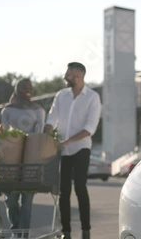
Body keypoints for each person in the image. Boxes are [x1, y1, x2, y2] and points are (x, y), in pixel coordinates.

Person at [44, 62, 101, 239]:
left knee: (80, 188)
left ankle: (85, 230)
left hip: (81, 148)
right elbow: (51, 119)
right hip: (64, 150)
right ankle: (66, 232)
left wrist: (67, 141)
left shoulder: (92, 97)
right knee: (64, 191)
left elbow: (89, 128)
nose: (66, 77)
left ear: (79, 75)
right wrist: (46, 136)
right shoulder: (61, 95)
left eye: (69, 74)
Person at [0, 78, 45, 238]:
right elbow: (3, 134)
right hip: (11, 161)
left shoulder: (39, 110)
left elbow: (38, 134)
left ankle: (22, 235)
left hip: (30, 161)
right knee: (10, 199)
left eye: (30, 87)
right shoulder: (7, 111)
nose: (27, 90)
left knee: (27, 201)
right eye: (24, 87)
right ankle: (16, 231)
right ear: (17, 90)